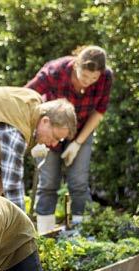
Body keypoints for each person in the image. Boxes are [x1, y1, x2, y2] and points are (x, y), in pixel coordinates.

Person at [25, 46, 113, 233]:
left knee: (79, 182)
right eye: (84, 76)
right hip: (52, 129)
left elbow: (99, 111)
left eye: (93, 78)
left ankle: (82, 233)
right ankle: (45, 233)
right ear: (75, 65)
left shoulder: (106, 77)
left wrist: (78, 143)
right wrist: (33, 130)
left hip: (82, 130)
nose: (88, 82)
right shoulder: (56, 71)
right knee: (47, 182)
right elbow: (26, 96)